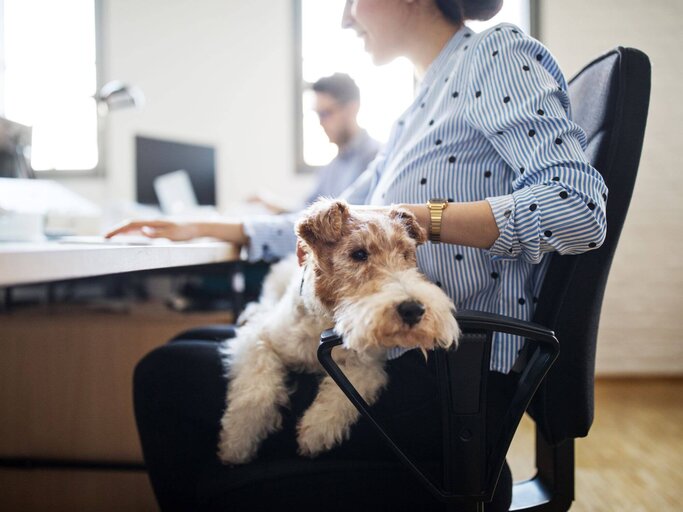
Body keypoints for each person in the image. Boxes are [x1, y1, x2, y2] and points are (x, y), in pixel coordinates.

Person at [107, 0, 608, 510]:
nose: (346, 17)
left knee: (162, 376)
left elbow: (579, 207)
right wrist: (210, 226)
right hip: (382, 346)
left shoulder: (496, 55)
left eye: (351, 0)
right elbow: (342, 218)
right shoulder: (416, 109)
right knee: (191, 343)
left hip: (444, 380)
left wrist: (428, 219)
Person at [250, 73, 381, 214]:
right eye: (317, 115)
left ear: (352, 109)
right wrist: (272, 204)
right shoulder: (332, 166)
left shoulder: (376, 158)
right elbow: (308, 210)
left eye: (326, 113)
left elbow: (343, 219)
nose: (320, 123)